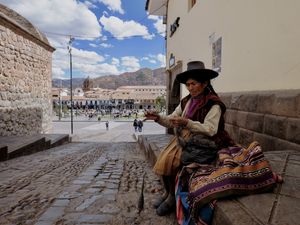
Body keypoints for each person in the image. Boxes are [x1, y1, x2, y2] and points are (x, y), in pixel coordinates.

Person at [145, 61, 281, 223]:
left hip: (207, 142)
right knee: (164, 158)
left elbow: (211, 129)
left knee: (173, 161)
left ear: (204, 84)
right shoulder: (186, 101)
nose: (190, 88)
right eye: (188, 84)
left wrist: (187, 123)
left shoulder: (213, 104)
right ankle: (167, 193)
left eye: (194, 84)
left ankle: (172, 200)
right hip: (187, 139)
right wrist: (158, 118)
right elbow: (171, 120)